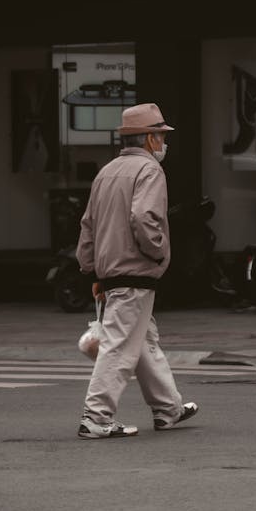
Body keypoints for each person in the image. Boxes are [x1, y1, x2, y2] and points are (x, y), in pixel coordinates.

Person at [75, 103, 198, 440]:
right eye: (159, 135)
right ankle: (96, 417)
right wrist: (158, 253)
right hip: (135, 270)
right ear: (147, 138)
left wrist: (92, 271)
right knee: (120, 345)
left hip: (112, 272)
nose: (162, 141)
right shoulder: (149, 171)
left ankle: (168, 408)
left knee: (142, 340)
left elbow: (88, 226)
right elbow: (144, 217)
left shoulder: (107, 171)